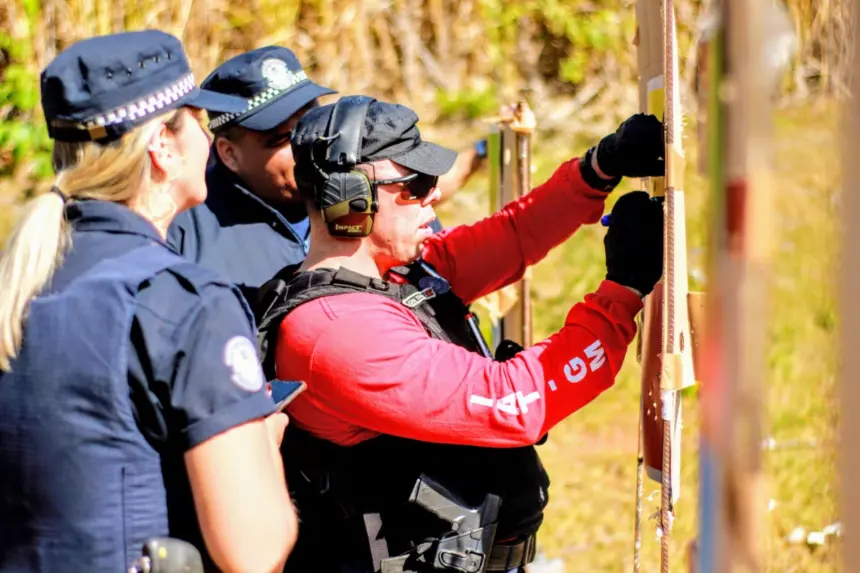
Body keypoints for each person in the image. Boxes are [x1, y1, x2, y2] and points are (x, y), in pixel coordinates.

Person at [255, 95, 665, 573]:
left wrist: (600, 166)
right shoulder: (337, 332)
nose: (434, 195)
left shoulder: (398, 275)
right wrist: (623, 289)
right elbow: (515, 401)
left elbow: (515, 234)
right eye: (414, 185)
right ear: (349, 198)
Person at [0, 31, 296, 573]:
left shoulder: (21, 279)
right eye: (199, 122)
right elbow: (253, 548)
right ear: (164, 145)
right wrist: (260, 440)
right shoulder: (187, 301)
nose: (209, 141)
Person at [168, 46, 487, 301]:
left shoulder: (367, 177)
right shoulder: (183, 231)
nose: (307, 144)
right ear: (229, 153)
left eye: (314, 123)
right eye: (282, 139)